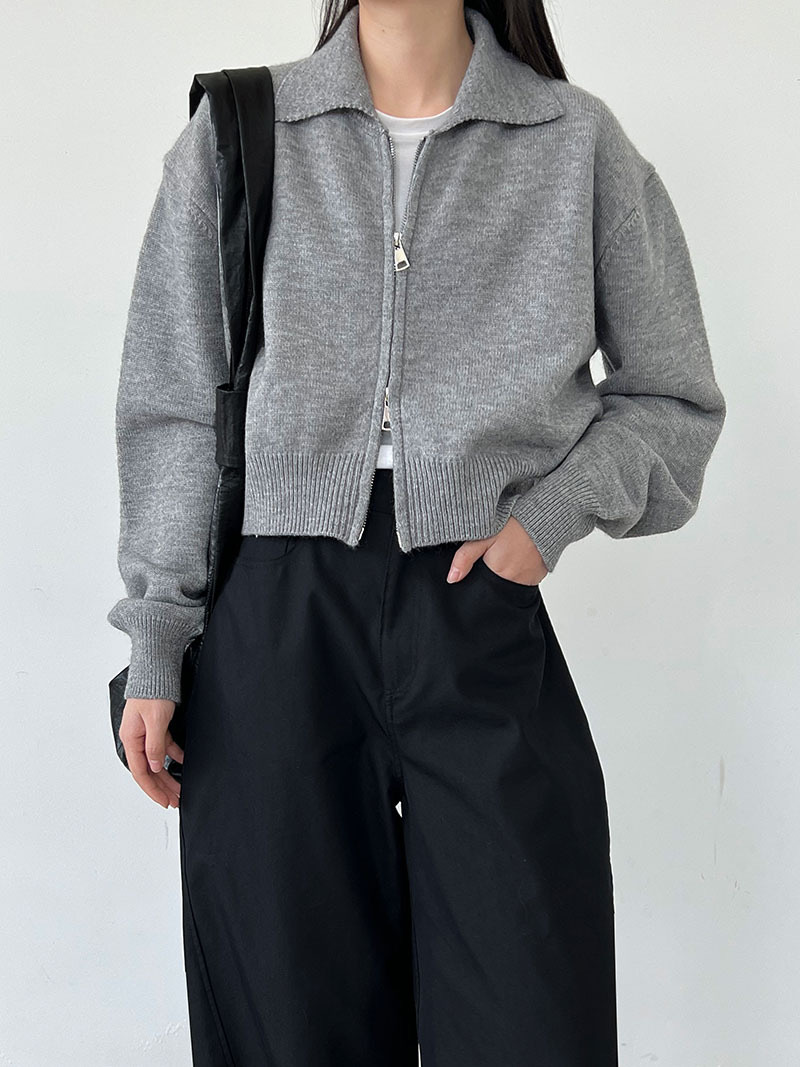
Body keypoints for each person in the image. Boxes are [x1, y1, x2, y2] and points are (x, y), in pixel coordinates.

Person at [107, 1, 727, 1063]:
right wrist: (159, 635)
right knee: (288, 1025)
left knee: (529, 1012)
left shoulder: (572, 142)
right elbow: (171, 405)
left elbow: (674, 399)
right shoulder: (241, 130)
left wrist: (543, 521)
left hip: (474, 605)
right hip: (274, 623)